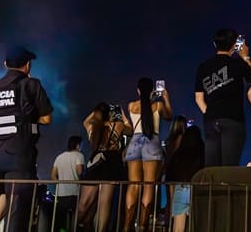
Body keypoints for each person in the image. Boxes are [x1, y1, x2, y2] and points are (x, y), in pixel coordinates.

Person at [0, 45, 53, 232]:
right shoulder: (31, 84)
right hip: (19, 155)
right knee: (18, 210)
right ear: (27, 65)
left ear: (5, 64)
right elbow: (47, 118)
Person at [194, 28, 251, 167]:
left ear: (215, 44)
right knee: (229, 167)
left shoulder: (203, 67)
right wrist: (246, 57)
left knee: (212, 167)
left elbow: (198, 98)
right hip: (232, 120)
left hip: (210, 121)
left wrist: (210, 113)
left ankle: (212, 189)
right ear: (235, 45)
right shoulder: (237, 64)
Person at [123, 77, 173, 232]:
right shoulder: (157, 105)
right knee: (149, 185)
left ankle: (127, 226)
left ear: (138, 90)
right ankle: (143, 225)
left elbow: (130, 127)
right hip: (152, 141)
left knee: (133, 186)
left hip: (134, 143)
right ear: (153, 90)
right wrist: (165, 97)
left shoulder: (131, 106)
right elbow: (169, 115)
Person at [77, 102, 132, 232]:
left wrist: (97, 111)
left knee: (83, 204)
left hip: (96, 162)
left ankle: (74, 226)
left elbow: (85, 121)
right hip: (112, 163)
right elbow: (131, 130)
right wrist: (122, 114)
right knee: (104, 205)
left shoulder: (93, 127)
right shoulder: (117, 125)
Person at [163, 119, 204, 232]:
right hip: (197, 191)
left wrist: (171, 201)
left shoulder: (178, 156)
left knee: (178, 228)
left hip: (180, 189)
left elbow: (171, 177)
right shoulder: (202, 154)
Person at [51, 135, 85, 231]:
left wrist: (60, 184)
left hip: (61, 193)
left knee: (62, 217)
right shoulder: (79, 155)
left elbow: (53, 175)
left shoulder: (60, 157)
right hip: (75, 192)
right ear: (78, 145)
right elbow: (80, 171)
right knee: (75, 216)